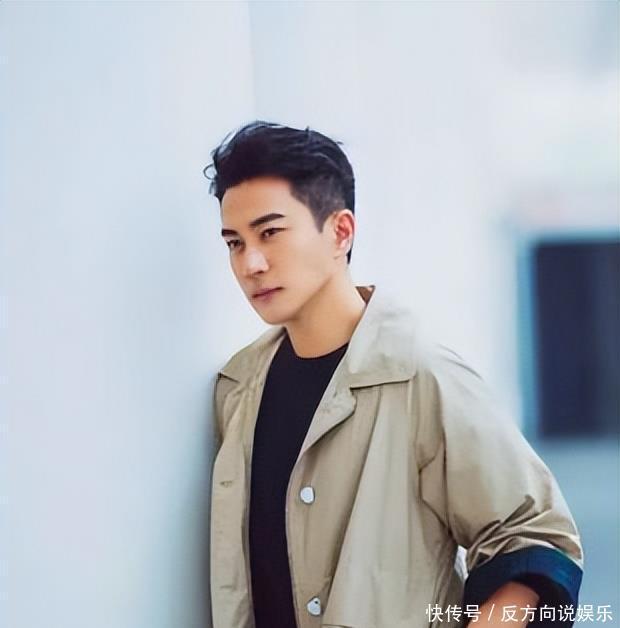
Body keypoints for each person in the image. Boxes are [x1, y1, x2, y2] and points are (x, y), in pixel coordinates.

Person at [203, 121, 583, 628]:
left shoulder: (422, 374)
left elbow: (533, 537)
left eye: (270, 233)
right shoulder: (238, 389)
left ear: (341, 232)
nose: (250, 263)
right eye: (234, 242)